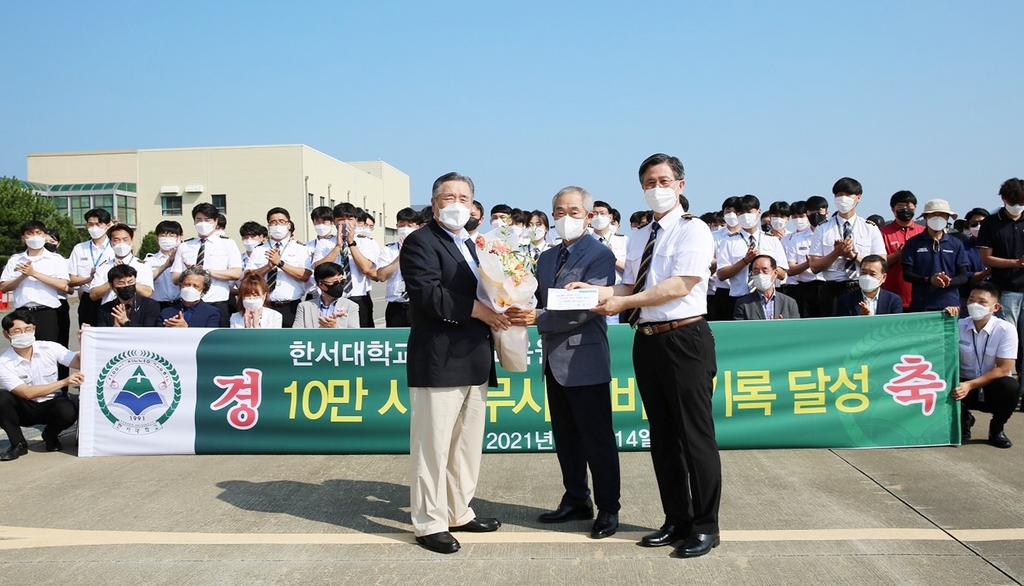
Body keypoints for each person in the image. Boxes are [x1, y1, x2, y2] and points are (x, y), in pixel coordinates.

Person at [579, 153, 721, 558]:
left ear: (680, 184)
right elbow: (627, 287)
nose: (655, 189)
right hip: (648, 339)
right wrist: (593, 294)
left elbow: (679, 286)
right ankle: (676, 518)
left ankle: (706, 526)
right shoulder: (640, 235)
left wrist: (623, 303)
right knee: (662, 437)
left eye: (663, 181)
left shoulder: (694, 231)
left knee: (695, 437)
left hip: (685, 338)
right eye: (648, 182)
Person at [399, 172, 509, 555]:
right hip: (439, 357)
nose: (456, 204)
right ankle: (429, 522)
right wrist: (479, 309)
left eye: (464, 197)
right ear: (434, 204)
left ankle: (459, 510)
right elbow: (428, 295)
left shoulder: (475, 244)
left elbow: (493, 287)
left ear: (474, 205)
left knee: (466, 443)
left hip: (475, 356)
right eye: (448, 197)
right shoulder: (419, 242)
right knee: (433, 445)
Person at [506, 186, 621, 540]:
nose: (565, 217)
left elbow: (587, 306)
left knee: (596, 438)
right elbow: (533, 295)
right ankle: (576, 498)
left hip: (584, 358)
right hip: (553, 360)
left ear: (588, 216)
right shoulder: (546, 257)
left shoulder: (599, 255)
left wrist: (536, 317)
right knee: (566, 437)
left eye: (574, 211)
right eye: (559, 211)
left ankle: (608, 508)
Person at [0, 308, 83, 461]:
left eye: (28, 329)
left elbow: (79, 363)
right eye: (17, 331)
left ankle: (50, 436)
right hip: (25, 407)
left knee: (68, 409)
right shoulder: (4, 363)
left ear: (34, 329)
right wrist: (64, 382)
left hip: (52, 403)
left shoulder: (50, 347)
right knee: (1, 397)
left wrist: (84, 344)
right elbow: (26, 393)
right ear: (7, 334)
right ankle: (18, 444)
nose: (24, 334)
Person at [944, 282, 1017, 448]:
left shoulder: (1006, 330)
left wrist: (970, 385)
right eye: (971, 300)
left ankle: (996, 429)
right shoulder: (957, 325)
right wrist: (945, 319)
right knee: (939, 381)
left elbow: (1004, 368)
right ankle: (963, 421)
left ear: (995, 307)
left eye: (982, 302)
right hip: (961, 384)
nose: (975, 305)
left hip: (989, 385)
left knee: (1010, 386)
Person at [808, 177, 886, 316]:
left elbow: (881, 263)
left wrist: (853, 256)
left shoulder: (869, 228)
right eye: (839, 195)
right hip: (832, 289)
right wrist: (837, 252)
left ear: (858, 198)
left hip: (861, 287)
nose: (843, 198)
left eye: (848, 194)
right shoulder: (823, 228)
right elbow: (814, 266)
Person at [977, 178, 1024, 408]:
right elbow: (986, 259)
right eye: (1014, 201)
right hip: (1006, 290)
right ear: (1004, 199)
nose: (1018, 206)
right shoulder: (991, 223)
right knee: (1007, 342)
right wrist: (1016, 262)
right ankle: (1005, 390)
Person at [716, 194, 789, 319]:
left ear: (758, 212)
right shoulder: (729, 241)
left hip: (767, 298)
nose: (745, 216)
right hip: (739, 298)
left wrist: (764, 264)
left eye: (749, 212)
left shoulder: (771, 240)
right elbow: (722, 275)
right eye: (741, 213)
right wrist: (745, 261)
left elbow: (783, 274)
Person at [171, 202, 243, 326]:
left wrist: (207, 272)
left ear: (215, 222)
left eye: (207, 220)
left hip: (217, 302)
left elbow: (236, 273)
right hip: (189, 304)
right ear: (194, 222)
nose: (202, 223)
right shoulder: (185, 245)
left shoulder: (227, 244)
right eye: (198, 219)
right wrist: (190, 273)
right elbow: (175, 278)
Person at [0, 220, 70, 344]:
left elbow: (62, 284)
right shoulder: (15, 260)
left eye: (38, 233)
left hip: (47, 312)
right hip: (22, 312)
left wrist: (34, 274)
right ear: (23, 238)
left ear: (44, 236)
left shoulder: (55, 259)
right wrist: (22, 276)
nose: (35, 236)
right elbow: (4, 286)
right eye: (30, 233)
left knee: (48, 351)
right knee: (23, 348)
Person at [313, 203, 378, 328]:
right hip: (332, 297)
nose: (345, 222)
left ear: (355, 221)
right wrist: (337, 246)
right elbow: (318, 269)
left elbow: (365, 268)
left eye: (349, 219)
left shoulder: (365, 242)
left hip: (358, 297)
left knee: (361, 336)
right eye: (341, 219)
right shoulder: (325, 243)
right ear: (334, 222)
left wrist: (351, 243)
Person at [245, 208, 312, 328]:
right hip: (264, 306)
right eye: (273, 222)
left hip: (291, 306)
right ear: (269, 226)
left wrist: (280, 264)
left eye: (281, 221)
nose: (277, 225)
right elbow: (247, 277)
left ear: (288, 225)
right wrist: (268, 267)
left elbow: (305, 276)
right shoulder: (259, 250)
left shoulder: (300, 248)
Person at [901, 199, 970, 312]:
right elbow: (907, 274)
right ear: (926, 217)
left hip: (950, 305)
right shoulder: (913, 243)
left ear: (947, 218)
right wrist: (929, 280)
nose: (938, 218)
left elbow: (963, 276)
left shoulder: (956, 244)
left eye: (942, 215)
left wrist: (948, 281)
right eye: (934, 215)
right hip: (921, 305)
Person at [879, 190, 926, 311]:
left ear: (915, 208)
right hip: (890, 295)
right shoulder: (882, 233)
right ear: (893, 209)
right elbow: (878, 265)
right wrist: (899, 254)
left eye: (909, 207)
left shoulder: (924, 232)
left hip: (919, 296)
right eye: (901, 207)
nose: (905, 210)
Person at [375, 208, 419, 327]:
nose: (405, 228)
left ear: (417, 227)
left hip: (418, 306)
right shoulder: (388, 250)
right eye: (402, 224)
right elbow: (382, 276)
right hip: (396, 307)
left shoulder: (423, 249)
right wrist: (401, 255)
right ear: (397, 226)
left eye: (409, 225)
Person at [88, 224, 154, 305]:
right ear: (111, 243)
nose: (121, 243)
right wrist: (112, 281)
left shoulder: (142, 265)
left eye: (125, 239)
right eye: (116, 240)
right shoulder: (104, 267)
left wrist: (128, 281)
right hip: (110, 310)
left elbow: (147, 293)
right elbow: (93, 295)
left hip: (135, 310)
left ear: (131, 241)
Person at [293, 262, 361, 328]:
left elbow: (354, 335)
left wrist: (335, 328)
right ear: (321, 285)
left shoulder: (351, 306)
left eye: (342, 281)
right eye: (335, 282)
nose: (339, 285)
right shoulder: (304, 307)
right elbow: (297, 334)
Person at [733, 255, 800, 320]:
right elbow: (740, 330)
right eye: (756, 271)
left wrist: (781, 328)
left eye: (765, 271)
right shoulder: (743, 304)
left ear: (775, 273)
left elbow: (796, 329)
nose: (760, 275)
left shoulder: (789, 303)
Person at [836, 255, 903, 316]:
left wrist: (870, 320)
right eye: (863, 273)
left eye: (872, 274)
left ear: (883, 277)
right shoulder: (845, 300)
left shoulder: (893, 300)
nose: (867, 277)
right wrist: (860, 319)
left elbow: (894, 326)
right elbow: (843, 326)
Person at [96, 264, 161, 327]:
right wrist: (115, 328)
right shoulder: (105, 309)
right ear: (111, 285)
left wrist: (126, 322)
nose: (126, 286)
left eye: (130, 282)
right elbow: (102, 333)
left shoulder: (150, 305)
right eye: (121, 283)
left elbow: (148, 332)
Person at [958, 208, 991, 314]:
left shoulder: (999, 245)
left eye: (982, 223)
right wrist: (984, 274)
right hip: (968, 299)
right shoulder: (961, 248)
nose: (978, 226)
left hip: (994, 297)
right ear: (968, 226)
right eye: (974, 224)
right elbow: (961, 274)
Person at [145, 220, 184, 310]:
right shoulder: (150, 260)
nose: (167, 239)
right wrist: (165, 265)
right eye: (163, 235)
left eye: (171, 235)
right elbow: (145, 279)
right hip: (157, 305)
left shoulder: (185, 258)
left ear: (180, 237)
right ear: (157, 238)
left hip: (180, 304)